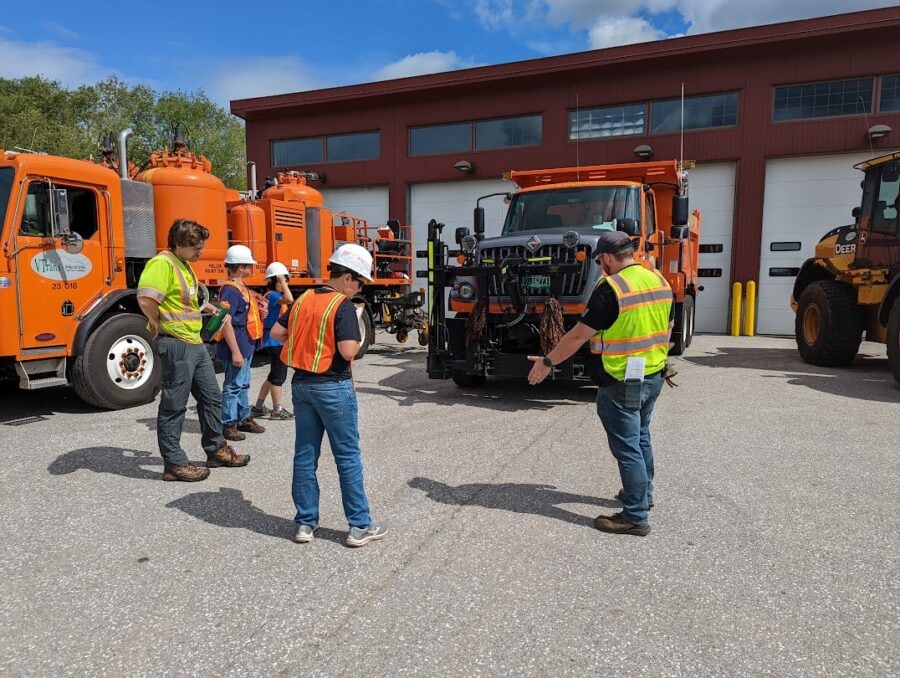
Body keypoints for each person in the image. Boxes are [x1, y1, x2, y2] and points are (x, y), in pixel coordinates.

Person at [526, 230, 674, 536]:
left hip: (620, 378)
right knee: (641, 435)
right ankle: (643, 496)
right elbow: (668, 325)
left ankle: (635, 516)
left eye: (600, 260)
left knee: (628, 445)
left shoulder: (612, 288)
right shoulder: (658, 280)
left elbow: (580, 334)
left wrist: (547, 362)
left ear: (606, 258)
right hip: (653, 373)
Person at [270, 243, 386, 547]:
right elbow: (349, 350)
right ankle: (360, 526)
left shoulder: (303, 299)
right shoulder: (342, 305)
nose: (359, 288)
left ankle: (305, 523)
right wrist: (355, 329)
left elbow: (276, 334)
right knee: (347, 457)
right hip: (333, 387)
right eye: (360, 282)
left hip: (302, 385)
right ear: (347, 277)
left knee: (305, 455)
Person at [136, 219, 250, 481]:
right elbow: (146, 298)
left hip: (194, 343)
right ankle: (174, 464)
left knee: (212, 398)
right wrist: (161, 324)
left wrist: (206, 309)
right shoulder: (162, 263)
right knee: (174, 405)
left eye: (201, 247)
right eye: (195, 247)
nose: (200, 252)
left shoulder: (183, 265)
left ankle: (216, 449)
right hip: (177, 343)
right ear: (177, 244)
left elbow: (184, 301)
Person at [217, 245, 268, 441]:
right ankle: (228, 423)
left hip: (246, 342)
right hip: (237, 343)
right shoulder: (230, 290)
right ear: (240, 267)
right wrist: (235, 351)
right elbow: (226, 321)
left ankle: (243, 417)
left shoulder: (241, 288)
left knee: (243, 383)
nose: (252, 269)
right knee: (233, 384)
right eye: (249, 266)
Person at [251, 262, 295, 420]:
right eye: (284, 280)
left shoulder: (270, 295)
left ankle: (258, 406)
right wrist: (283, 282)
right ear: (274, 280)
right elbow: (289, 299)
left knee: (272, 375)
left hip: (273, 340)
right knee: (278, 377)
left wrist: (282, 281)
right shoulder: (273, 295)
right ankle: (277, 410)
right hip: (275, 342)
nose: (286, 283)